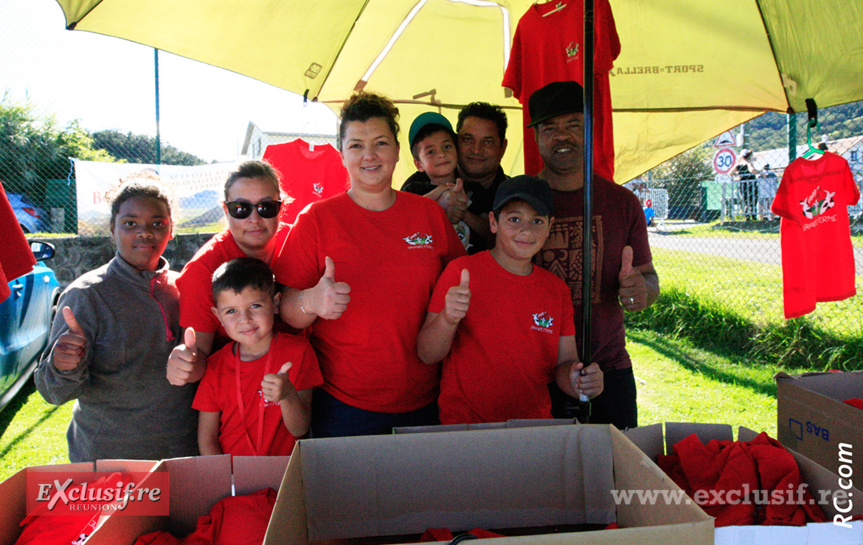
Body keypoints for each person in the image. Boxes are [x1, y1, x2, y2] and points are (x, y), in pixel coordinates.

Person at [273, 91, 466, 437]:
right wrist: (312, 301)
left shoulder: (430, 215)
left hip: (427, 400)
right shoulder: (316, 219)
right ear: (342, 154)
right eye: (356, 146)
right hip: (343, 406)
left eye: (380, 143)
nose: (369, 156)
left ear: (395, 151)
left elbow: (460, 283)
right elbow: (287, 310)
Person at [34, 171, 198, 462]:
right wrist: (62, 365)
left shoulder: (187, 287)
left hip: (183, 453)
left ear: (171, 229)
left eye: (157, 223)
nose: (144, 233)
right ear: (112, 229)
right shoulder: (86, 296)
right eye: (130, 223)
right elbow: (53, 392)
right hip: (110, 459)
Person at [417, 176, 603, 424]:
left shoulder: (556, 290)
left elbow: (565, 363)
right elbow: (427, 354)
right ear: (493, 222)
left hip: (532, 427)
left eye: (537, 221)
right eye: (514, 219)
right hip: (464, 427)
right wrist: (448, 319)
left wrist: (579, 380)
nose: (526, 230)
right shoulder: (460, 272)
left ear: (550, 227)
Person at [529, 81, 660, 430]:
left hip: (609, 369)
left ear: (590, 129)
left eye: (573, 124)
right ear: (537, 138)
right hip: (535, 375)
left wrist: (640, 290)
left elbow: (649, 277)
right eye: (549, 128)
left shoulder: (622, 203)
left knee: (614, 473)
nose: (562, 137)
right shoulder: (519, 202)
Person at [167, 160, 291, 387]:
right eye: (241, 209)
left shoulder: (299, 243)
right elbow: (200, 353)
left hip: (299, 375)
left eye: (266, 207)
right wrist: (185, 365)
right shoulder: (203, 270)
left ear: (281, 206)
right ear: (226, 211)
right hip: (237, 387)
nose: (254, 219)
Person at [193, 258, 322, 456]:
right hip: (234, 481)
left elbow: (300, 429)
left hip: (284, 478)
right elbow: (207, 439)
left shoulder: (299, 352)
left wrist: (287, 395)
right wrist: (225, 481)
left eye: (255, 306)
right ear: (217, 315)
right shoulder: (214, 366)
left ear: (276, 303)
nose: (245, 320)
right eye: (231, 311)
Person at [400, 111, 479, 250]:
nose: (442, 154)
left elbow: (490, 231)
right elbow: (402, 224)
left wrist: (462, 211)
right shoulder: (412, 191)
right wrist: (436, 197)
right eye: (431, 152)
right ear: (419, 164)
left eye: (447, 147)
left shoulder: (473, 189)